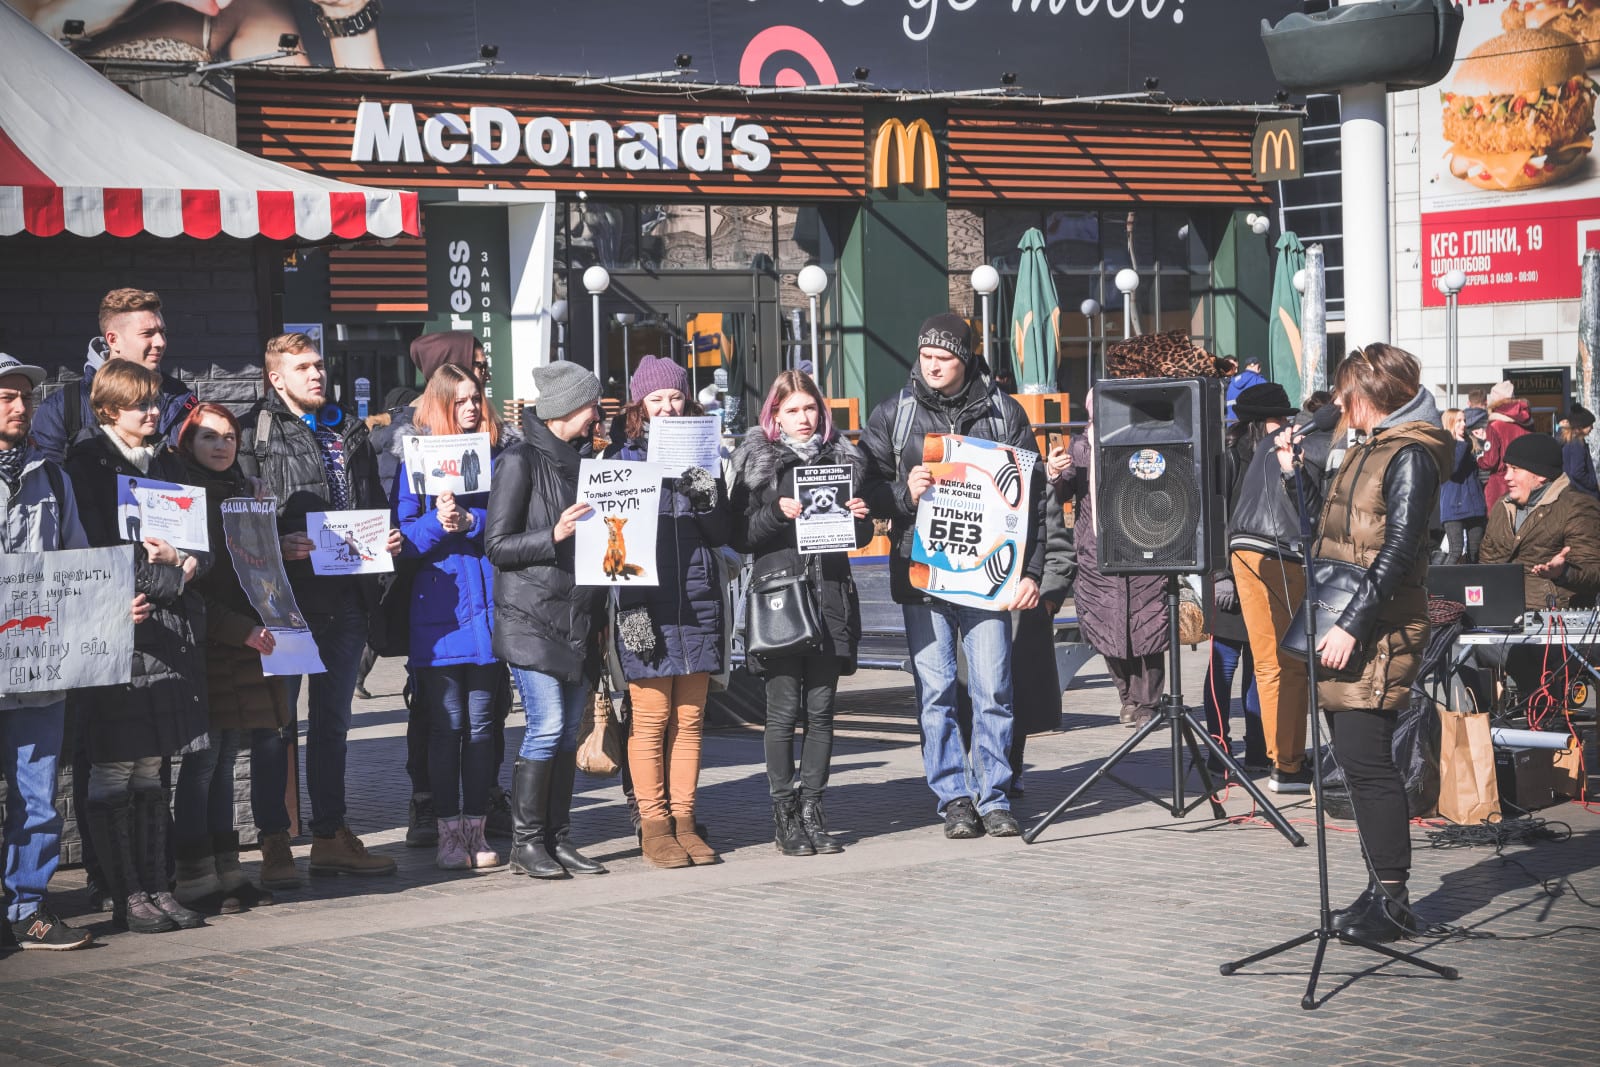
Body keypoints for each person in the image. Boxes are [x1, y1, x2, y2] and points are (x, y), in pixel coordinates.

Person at [1282, 343, 1452, 942]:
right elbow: (1334, 532)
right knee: (1356, 764)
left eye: (1346, 390)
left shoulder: (1411, 453)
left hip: (1378, 626)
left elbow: (1399, 549)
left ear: (1375, 394)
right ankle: (1382, 891)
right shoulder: (1371, 448)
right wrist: (1295, 471)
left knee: (1367, 762)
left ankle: (1394, 899)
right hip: (1352, 616)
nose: (1338, 402)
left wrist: (1350, 625)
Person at [860, 314, 1046, 839]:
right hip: (923, 575)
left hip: (988, 577)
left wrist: (1032, 570)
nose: (933, 364)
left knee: (994, 688)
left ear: (966, 359)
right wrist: (903, 492)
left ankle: (995, 796)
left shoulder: (1004, 412)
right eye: (926, 355)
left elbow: (1036, 498)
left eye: (944, 356)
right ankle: (953, 797)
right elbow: (865, 482)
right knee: (935, 690)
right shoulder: (895, 413)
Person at [237, 332, 400, 876]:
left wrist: (387, 540)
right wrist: (277, 543)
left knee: (333, 724)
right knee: (277, 728)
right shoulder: (252, 433)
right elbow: (236, 517)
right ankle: (275, 842)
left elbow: (371, 501)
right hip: (284, 602)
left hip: (346, 599)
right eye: (302, 367)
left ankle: (331, 834)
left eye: (319, 365)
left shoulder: (347, 428)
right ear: (275, 377)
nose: (316, 374)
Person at [65, 360, 211, 935]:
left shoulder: (172, 464)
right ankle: (123, 892)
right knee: (112, 766)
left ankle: (158, 887)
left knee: (153, 765)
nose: (153, 412)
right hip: (118, 629)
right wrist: (176, 577)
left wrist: (188, 563)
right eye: (140, 404)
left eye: (155, 403)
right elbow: (96, 552)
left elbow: (205, 542)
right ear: (107, 410)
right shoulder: (85, 466)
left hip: (168, 636)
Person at [0, 353, 127, 950]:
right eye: (6, 396)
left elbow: (77, 563)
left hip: (38, 669)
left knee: (36, 798)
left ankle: (28, 907)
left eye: (24, 396)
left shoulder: (51, 478)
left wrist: (108, 606)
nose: (20, 407)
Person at [729, 371, 873, 856]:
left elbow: (860, 537)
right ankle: (784, 814)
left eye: (810, 408)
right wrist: (776, 513)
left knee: (822, 712)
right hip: (781, 599)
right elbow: (741, 536)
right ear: (774, 415)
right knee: (783, 711)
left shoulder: (844, 459)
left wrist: (861, 519)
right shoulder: (757, 464)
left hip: (830, 595)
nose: (803, 418)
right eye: (792, 410)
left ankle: (814, 810)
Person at [604, 355, 731, 867]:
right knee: (651, 721)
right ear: (639, 406)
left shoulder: (705, 457)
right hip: (644, 605)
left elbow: (724, 536)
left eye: (676, 397)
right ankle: (654, 826)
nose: (667, 406)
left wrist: (707, 496)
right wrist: (628, 612)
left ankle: (685, 821)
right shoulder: (621, 461)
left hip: (697, 600)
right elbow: (610, 546)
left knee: (691, 721)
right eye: (656, 399)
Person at [486, 362, 608, 879]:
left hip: (577, 618)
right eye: (590, 407)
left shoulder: (587, 465)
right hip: (529, 617)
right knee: (547, 726)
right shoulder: (519, 461)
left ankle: (558, 838)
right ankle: (526, 842)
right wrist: (552, 535)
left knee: (564, 737)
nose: (597, 416)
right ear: (565, 411)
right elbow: (496, 545)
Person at [172, 403, 293, 909]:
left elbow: (255, 572)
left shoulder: (246, 494)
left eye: (229, 437)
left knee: (224, 762)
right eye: (208, 438)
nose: (222, 445)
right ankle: (193, 875)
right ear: (186, 445)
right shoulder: (180, 499)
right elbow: (185, 588)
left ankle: (227, 869)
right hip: (206, 642)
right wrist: (240, 628)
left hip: (242, 643)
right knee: (202, 763)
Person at [395, 364, 506, 872]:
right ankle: (446, 832)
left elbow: (510, 522)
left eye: (476, 398)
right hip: (438, 612)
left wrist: (474, 519)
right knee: (447, 727)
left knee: (484, 726)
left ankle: (477, 829)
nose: (470, 407)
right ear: (440, 404)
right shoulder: (415, 458)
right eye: (460, 400)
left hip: (488, 610)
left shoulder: (495, 454)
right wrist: (439, 523)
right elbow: (403, 540)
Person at [1052, 390, 1167, 732]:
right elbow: (1062, 494)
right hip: (1097, 551)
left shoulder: (1144, 441)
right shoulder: (1079, 446)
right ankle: (1127, 698)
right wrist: (1055, 474)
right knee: (1107, 628)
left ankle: (1149, 702)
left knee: (1148, 626)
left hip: (1141, 545)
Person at [1207, 383, 1297, 774]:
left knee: (1263, 669)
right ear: (1260, 423)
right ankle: (1219, 749)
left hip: (1269, 576)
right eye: (1280, 418)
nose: (1287, 424)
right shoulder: (1228, 459)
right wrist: (1220, 575)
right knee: (1224, 667)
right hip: (1233, 579)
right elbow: (1214, 521)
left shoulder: (1282, 457)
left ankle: (1261, 747)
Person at [1478, 433, 1600, 709]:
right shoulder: (1502, 508)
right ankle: (1481, 727)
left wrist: (1564, 572)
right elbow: (1486, 565)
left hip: (1552, 623)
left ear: (1540, 476)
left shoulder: (1577, 507)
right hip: (1500, 618)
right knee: (1449, 646)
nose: (1506, 476)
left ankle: (1538, 718)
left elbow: (1594, 572)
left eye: (1515, 469)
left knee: (1528, 654)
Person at [30, 288, 196, 464]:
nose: (160, 342)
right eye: (147, 333)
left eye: (162, 332)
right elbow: (48, 482)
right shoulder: (62, 408)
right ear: (113, 340)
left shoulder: (181, 400)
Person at [1440, 408, 1488, 565]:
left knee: (1475, 552)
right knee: (1456, 550)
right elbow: (1452, 469)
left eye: (1464, 420)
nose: (1463, 424)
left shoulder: (1469, 443)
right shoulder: (1445, 445)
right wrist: (1460, 444)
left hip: (1475, 506)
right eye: (1459, 421)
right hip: (1454, 506)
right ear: (1450, 423)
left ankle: (1473, 587)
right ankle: (1442, 587)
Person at [1478, 381, 1532, 510]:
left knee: (1499, 525)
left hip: (1500, 484)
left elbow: (1490, 461)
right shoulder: (1526, 423)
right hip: (1525, 481)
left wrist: (1479, 458)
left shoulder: (1495, 425)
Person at [1561, 404, 1599, 499]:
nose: (1592, 428)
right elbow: (1577, 472)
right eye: (1590, 425)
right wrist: (1593, 484)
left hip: (1575, 493)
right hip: (1584, 495)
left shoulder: (1569, 442)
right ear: (1581, 426)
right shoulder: (1577, 444)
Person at [1225, 356, 1267, 424]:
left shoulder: (1232, 382)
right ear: (1257, 366)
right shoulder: (1259, 380)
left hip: (1232, 424)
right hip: (1250, 426)